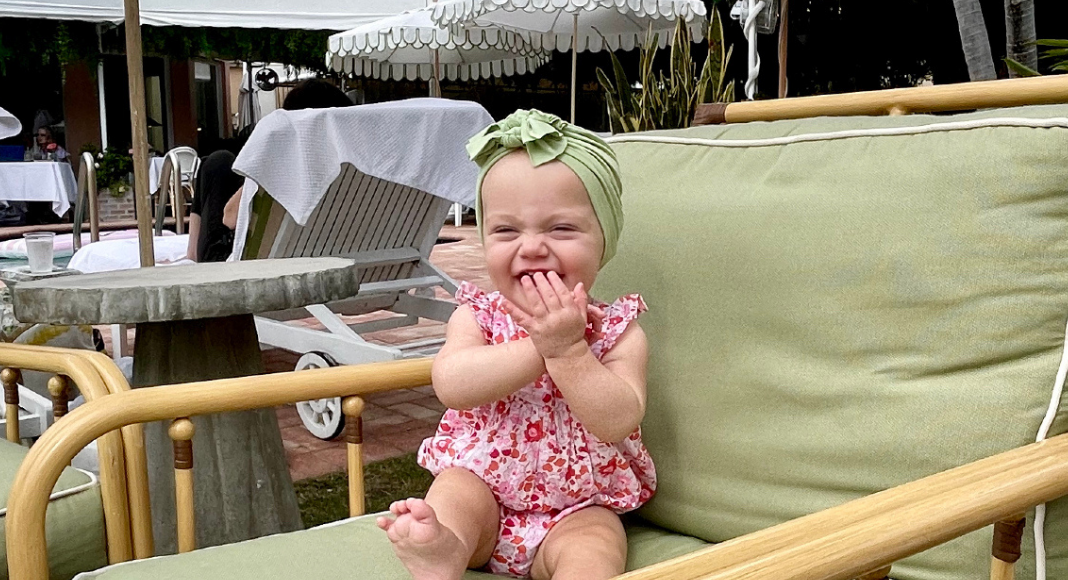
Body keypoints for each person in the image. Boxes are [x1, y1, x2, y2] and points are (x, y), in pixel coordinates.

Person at [377, 110, 656, 580]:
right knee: (454, 493)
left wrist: (569, 351)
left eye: (561, 229)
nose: (531, 247)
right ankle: (445, 547)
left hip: (579, 504)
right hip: (482, 488)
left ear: (602, 243)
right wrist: (539, 348)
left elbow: (619, 418)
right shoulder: (479, 315)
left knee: (597, 543)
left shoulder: (618, 329)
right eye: (506, 230)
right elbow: (452, 383)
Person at [186, 78, 353, 262]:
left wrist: (260, 172)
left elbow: (230, 218)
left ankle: (191, 256)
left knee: (217, 162)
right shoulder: (356, 172)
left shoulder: (283, 164)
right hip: (335, 257)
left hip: (257, 268)